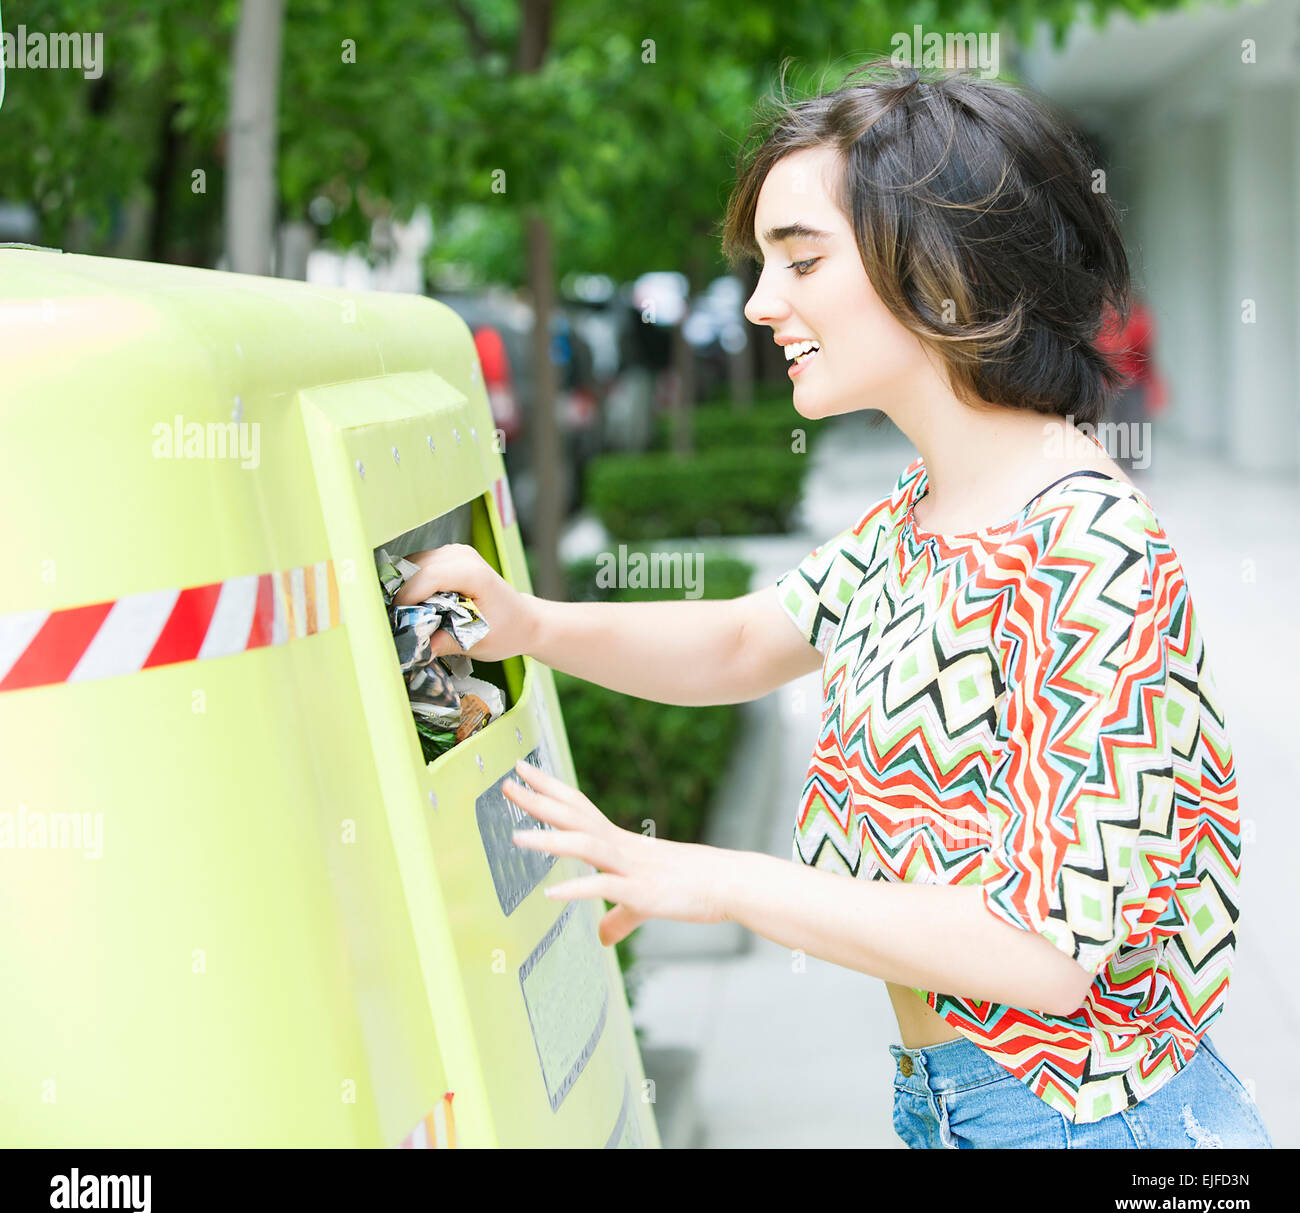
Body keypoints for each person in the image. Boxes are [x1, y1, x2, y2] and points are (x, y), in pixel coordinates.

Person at [395, 58, 1270, 1150]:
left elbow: (1042, 949)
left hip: (1094, 1124)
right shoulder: (928, 507)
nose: (763, 303)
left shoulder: (1083, 543)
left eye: (800, 260)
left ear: (941, 269)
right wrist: (530, 625)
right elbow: (742, 640)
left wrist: (716, 878)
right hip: (960, 1106)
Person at [1095, 298, 1167, 473]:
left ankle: (1134, 465)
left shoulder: (1138, 317)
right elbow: (1102, 347)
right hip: (1112, 383)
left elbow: (1145, 348)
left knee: (1134, 422)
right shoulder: (1106, 319)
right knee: (1117, 423)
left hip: (1134, 383)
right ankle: (1122, 464)